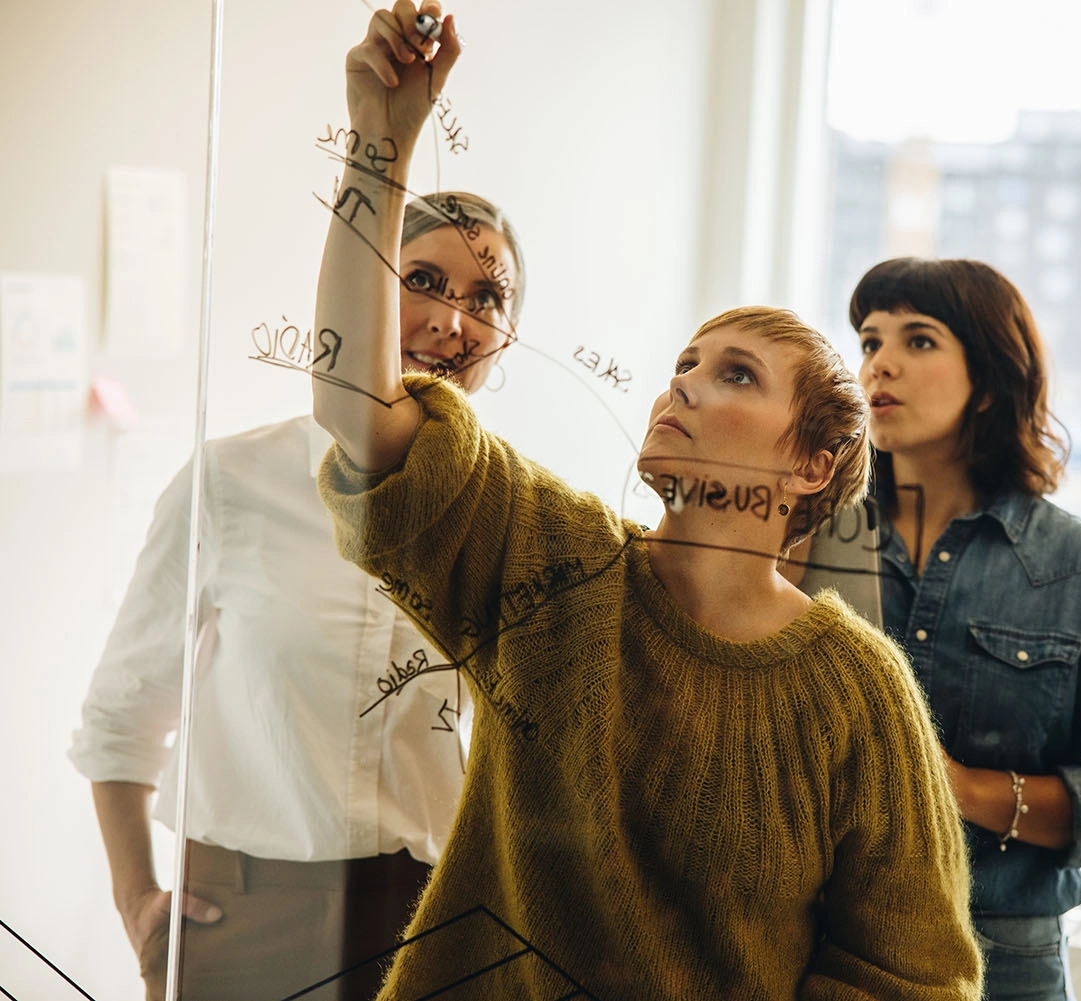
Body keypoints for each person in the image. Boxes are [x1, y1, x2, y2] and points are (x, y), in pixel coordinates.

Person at [307, 3, 982, 999]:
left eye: (738, 375)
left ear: (815, 461)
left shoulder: (857, 694)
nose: (683, 388)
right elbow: (359, 410)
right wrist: (380, 141)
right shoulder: (554, 559)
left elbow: (908, 975)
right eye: (683, 364)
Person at [68, 190, 526, 1001]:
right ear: (366, 291)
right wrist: (138, 906)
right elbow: (120, 719)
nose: (452, 322)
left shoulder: (518, 520)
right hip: (241, 917)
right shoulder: (231, 482)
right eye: (422, 278)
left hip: (438, 923)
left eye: (486, 296)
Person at [848, 258, 1081, 1001]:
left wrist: (953, 787)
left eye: (918, 340)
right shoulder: (808, 548)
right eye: (868, 341)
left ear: (989, 380)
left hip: (1006, 965)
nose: (880, 363)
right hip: (823, 945)